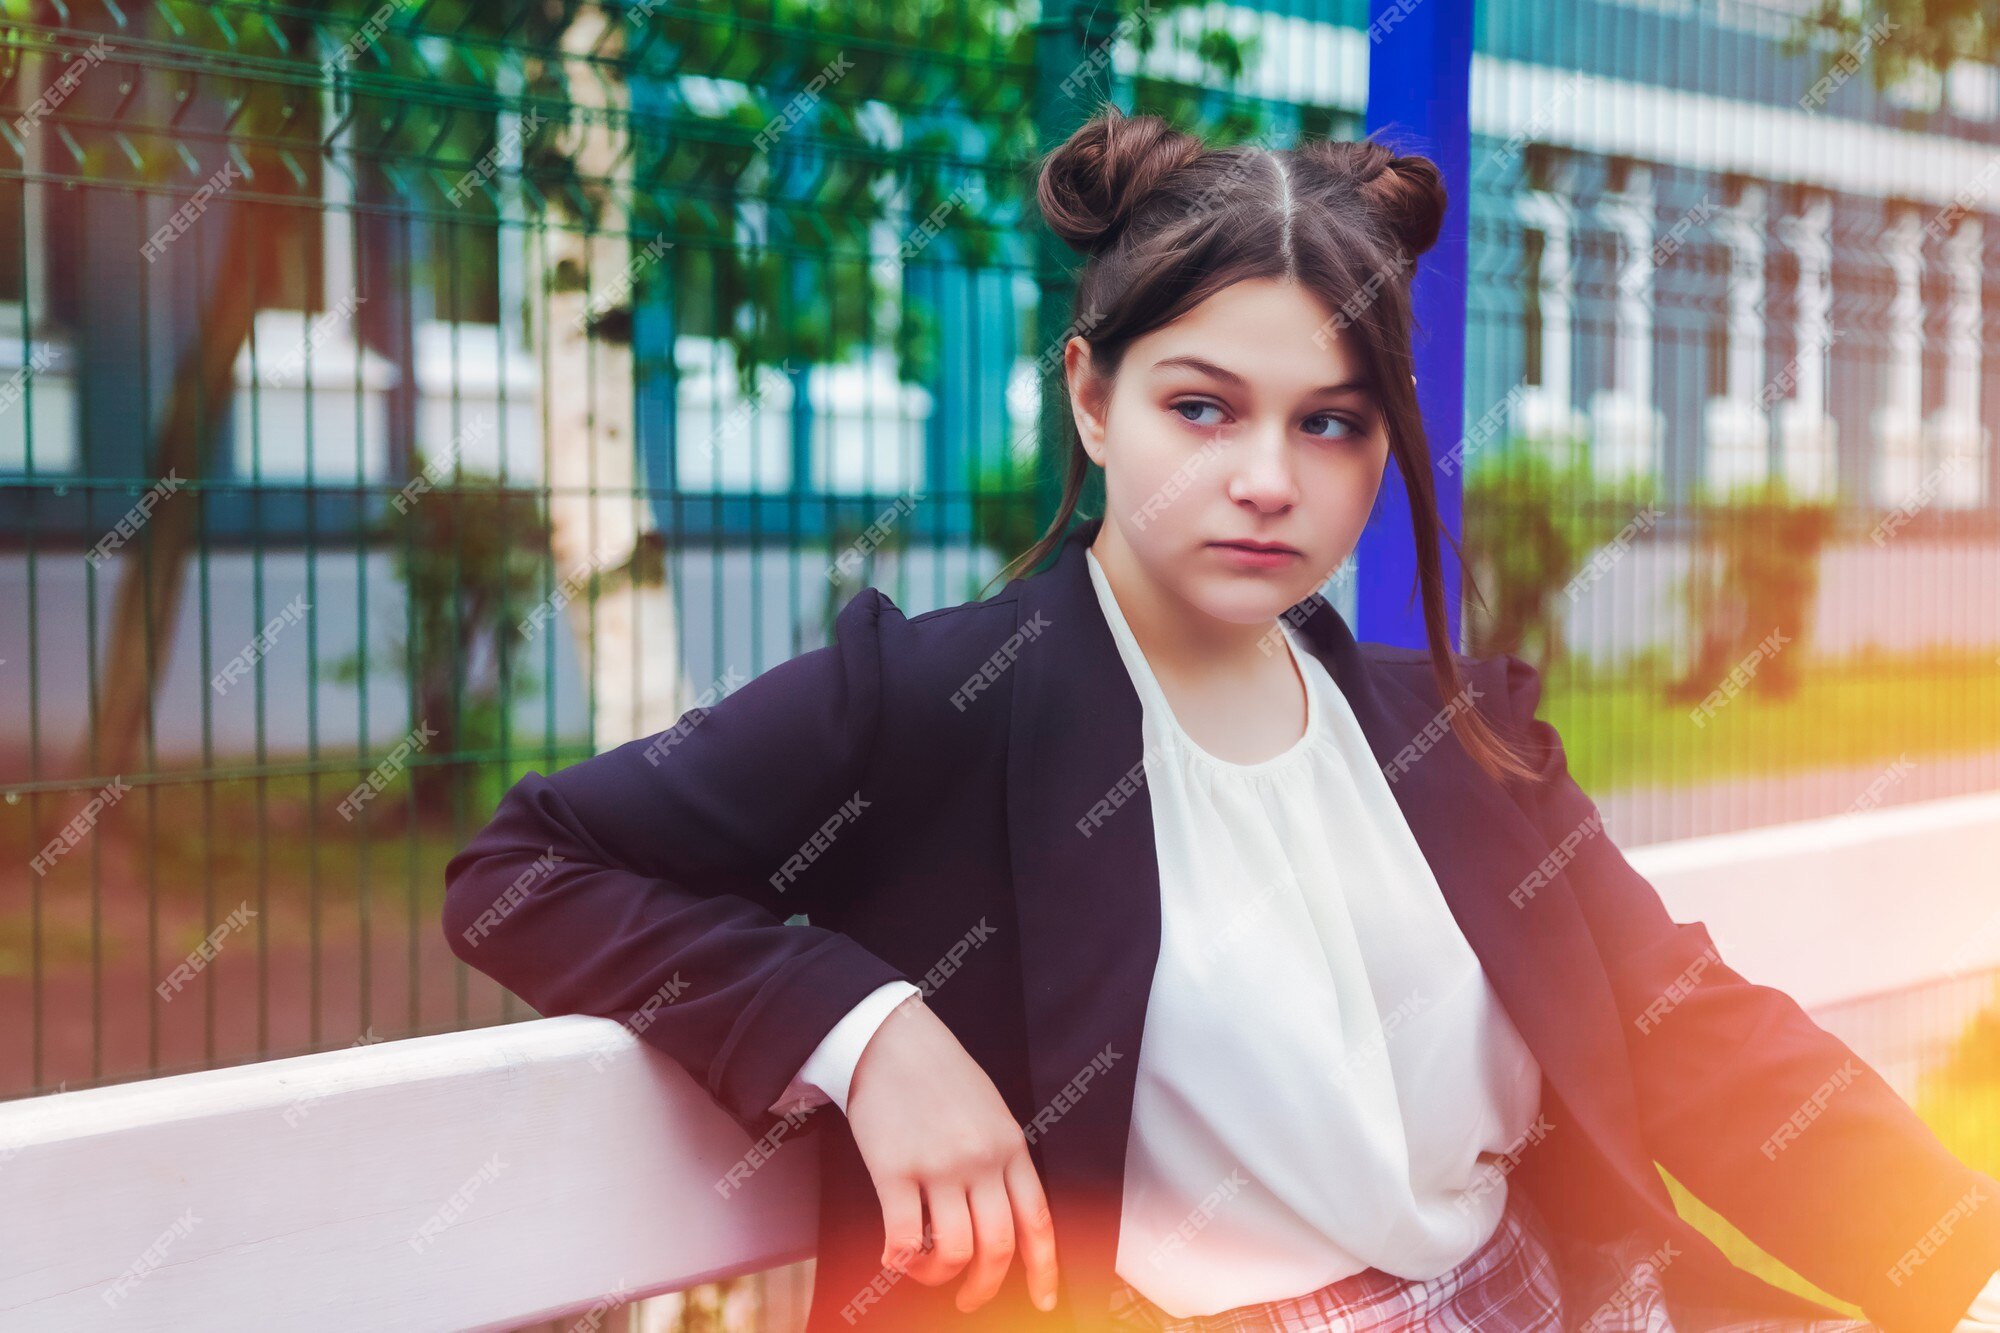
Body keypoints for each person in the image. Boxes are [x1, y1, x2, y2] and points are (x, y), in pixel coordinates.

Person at [441, 106, 2000, 1332]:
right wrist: (869, 1033)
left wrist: (1965, 1267)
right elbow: (524, 867)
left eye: (1330, 422)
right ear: (1089, 398)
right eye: (1204, 406)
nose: (1269, 478)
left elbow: (1692, 1029)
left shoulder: (1448, 731)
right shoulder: (935, 702)